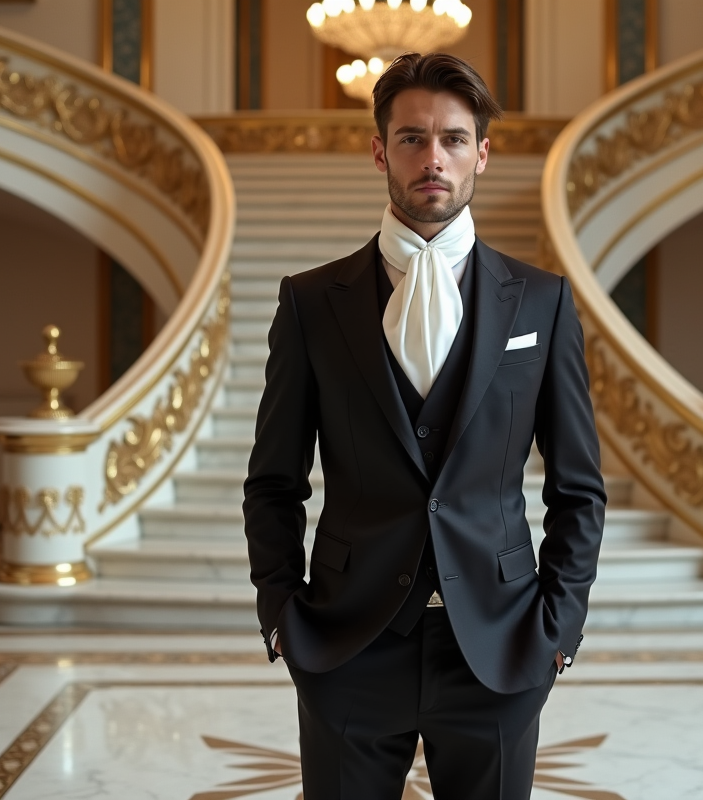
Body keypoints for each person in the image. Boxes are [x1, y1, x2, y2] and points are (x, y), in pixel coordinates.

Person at [243, 53, 606, 798]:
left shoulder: (542, 302)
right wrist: (282, 614)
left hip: (501, 648)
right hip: (347, 645)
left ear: (482, 152)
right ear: (380, 151)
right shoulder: (312, 302)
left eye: (451, 138)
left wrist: (558, 632)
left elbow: (579, 487)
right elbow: (274, 481)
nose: (431, 157)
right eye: (411, 138)